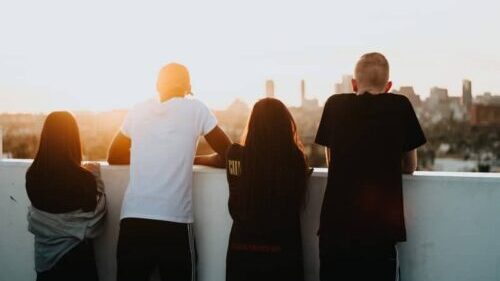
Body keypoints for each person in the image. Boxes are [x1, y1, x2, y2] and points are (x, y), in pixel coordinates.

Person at [108, 62, 232, 281]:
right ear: (188, 87)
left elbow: (113, 156)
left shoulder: (138, 110)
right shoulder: (196, 109)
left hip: (133, 219)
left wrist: (148, 154)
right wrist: (189, 159)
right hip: (173, 221)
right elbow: (228, 153)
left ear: (157, 85)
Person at [315, 52, 427, 281]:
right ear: (389, 86)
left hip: (335, 228)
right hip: (380, 231)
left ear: (354, 83)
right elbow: (410, 166)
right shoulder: (400, 106)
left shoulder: (334, 105)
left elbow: (332, 160)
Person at [225, 98, 310, 281]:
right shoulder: (295, 160)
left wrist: (196, 159)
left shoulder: (235, 155)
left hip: (242, 251)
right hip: (282, 254)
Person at [26, 111, 106, 281]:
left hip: (45, 262)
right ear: (73, 139)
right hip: (77, 261)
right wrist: (96, 179)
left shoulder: (32, 176)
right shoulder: (84, 179)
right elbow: (94, 217)